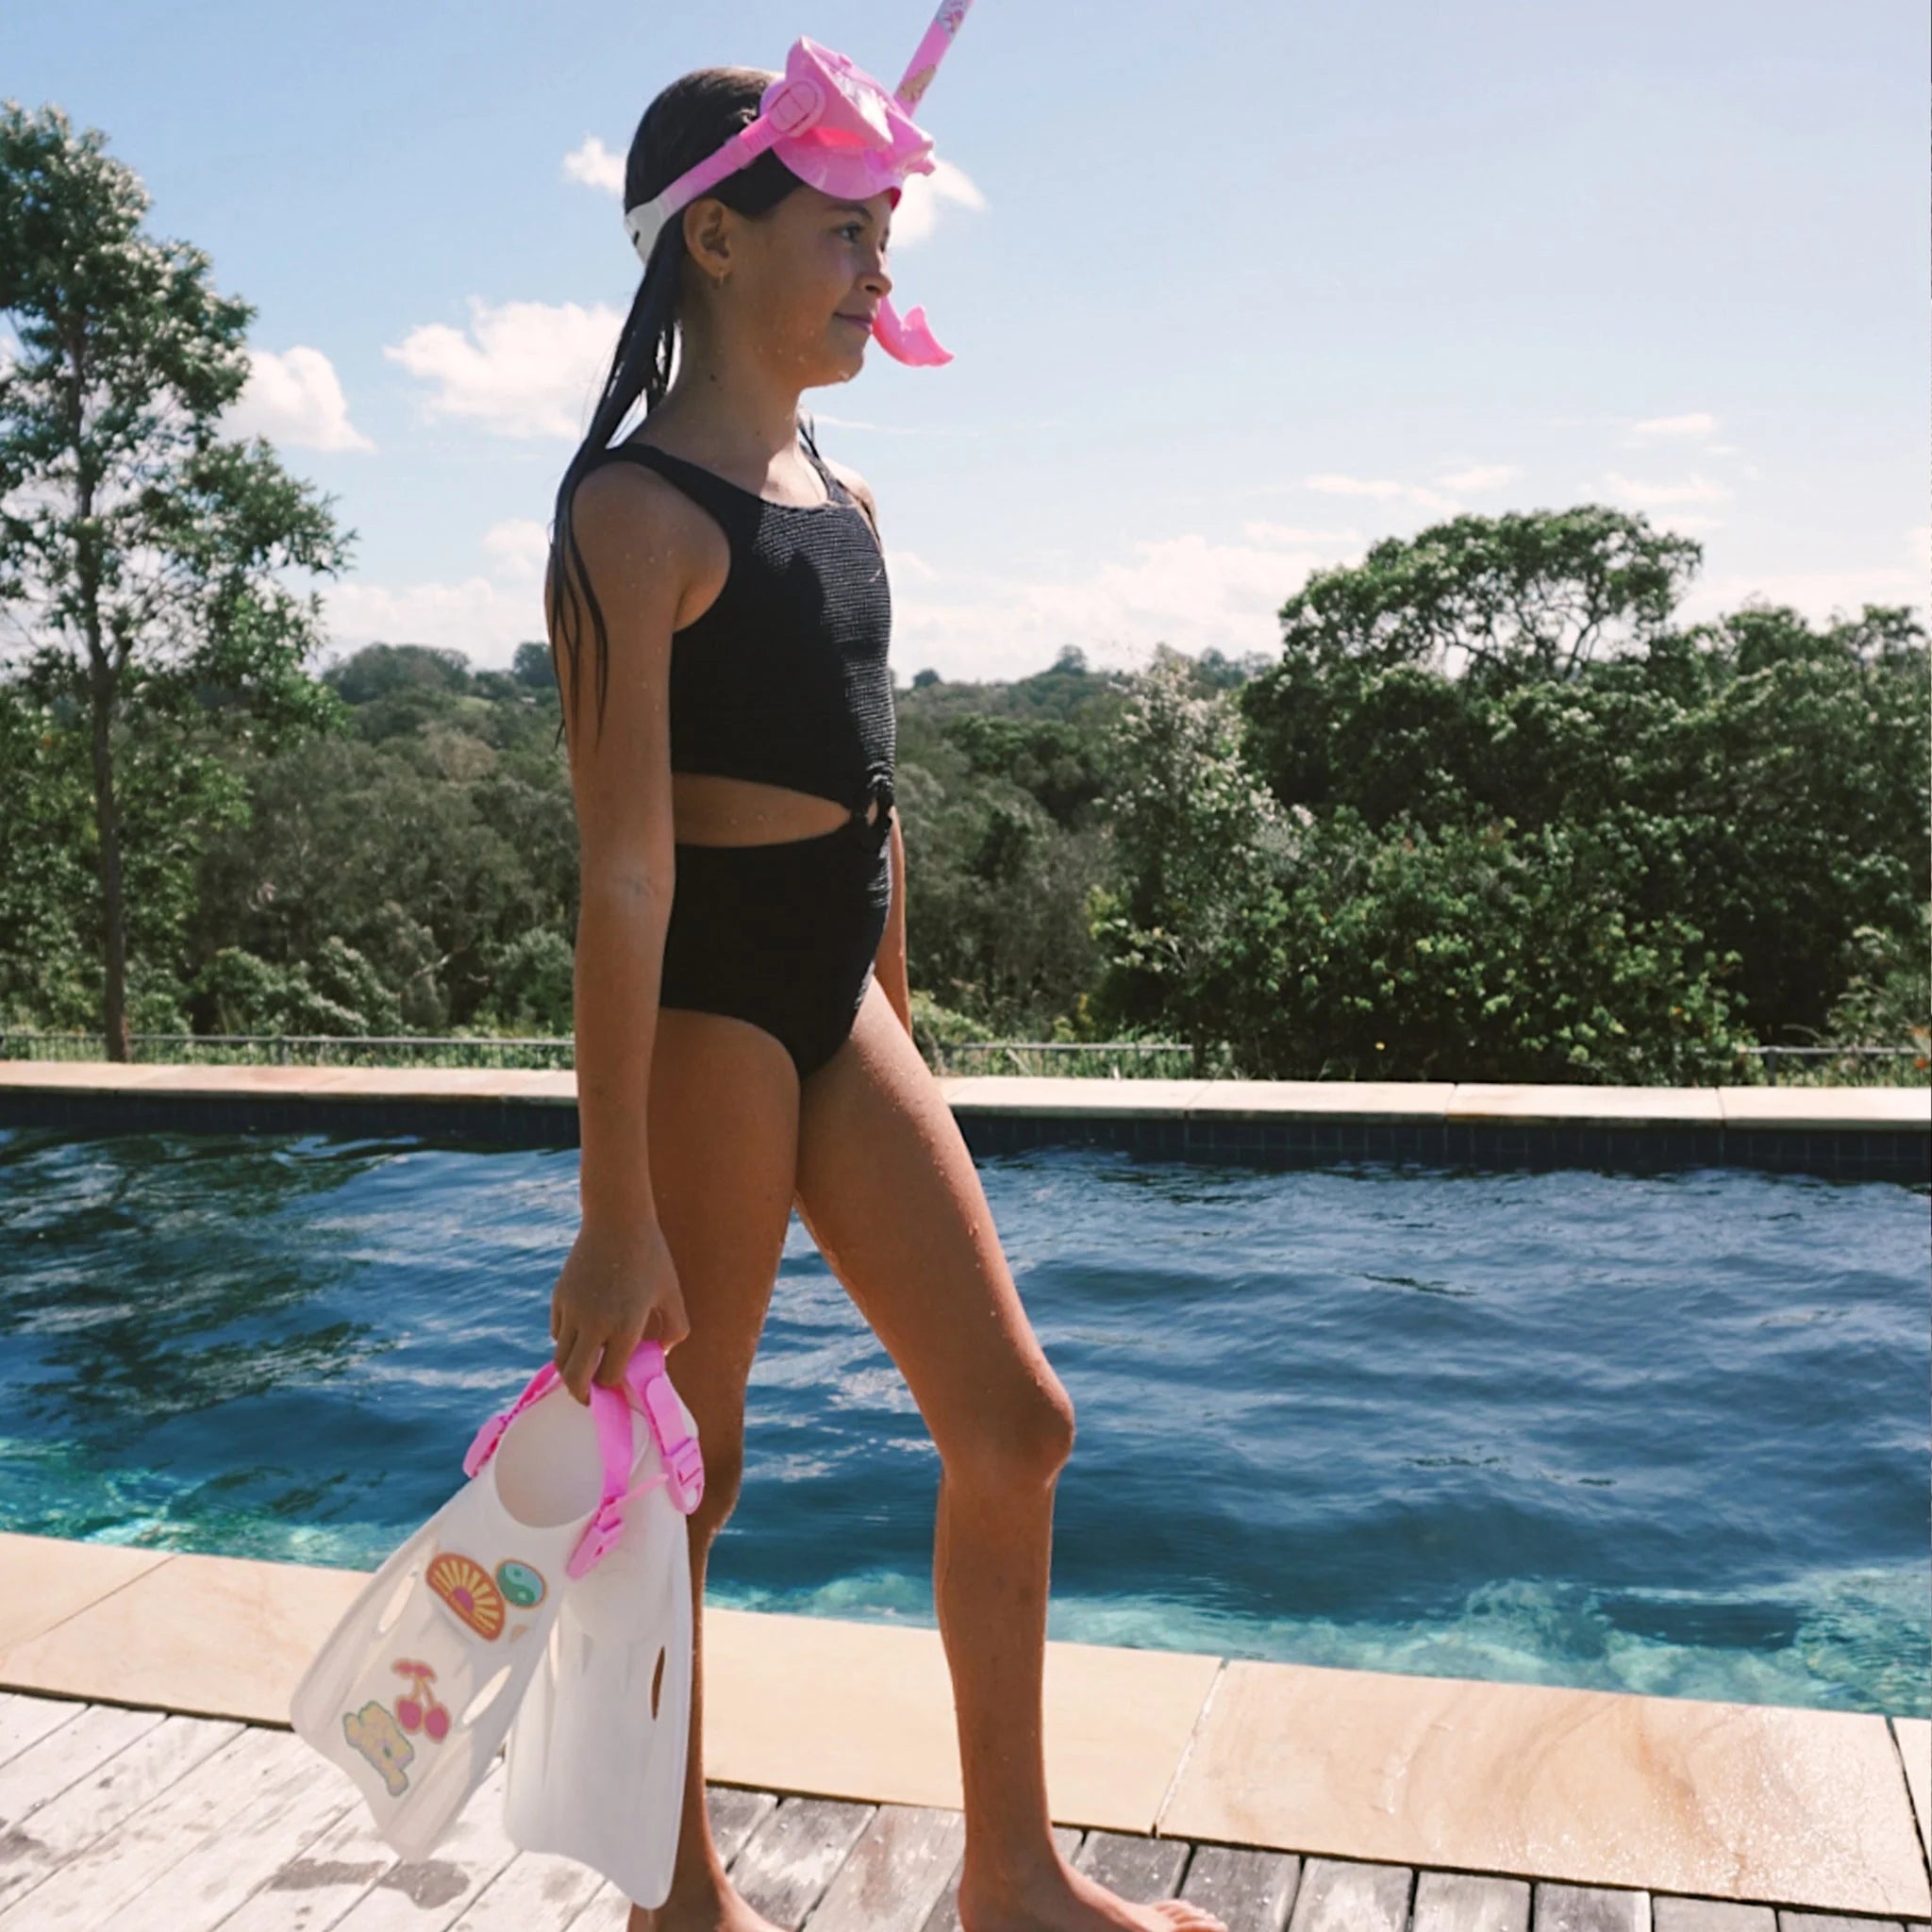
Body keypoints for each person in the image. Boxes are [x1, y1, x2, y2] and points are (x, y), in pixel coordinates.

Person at [541, 53, 1228, 1932]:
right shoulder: (633, 513)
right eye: (842, 231)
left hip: (836, 994)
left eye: (883, 234)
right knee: (695, 1469)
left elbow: (876, 788)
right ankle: (676, 1903)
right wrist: (614, 1213)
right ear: (715, 237)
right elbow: (618, 867)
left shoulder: (843, 491)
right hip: (704, 1000)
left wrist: (893, 1010)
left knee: (1015, 1425)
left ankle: (1009, 1878)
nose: (875, 268)